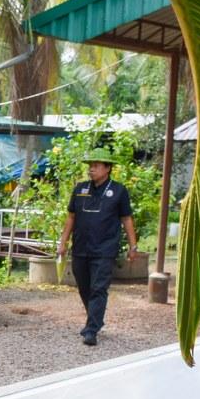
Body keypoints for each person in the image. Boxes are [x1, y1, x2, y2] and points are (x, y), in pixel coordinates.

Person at [56, 147, 138, 346]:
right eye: (90, 166)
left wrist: (133, 245)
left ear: (107, 168)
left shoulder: (118, 191)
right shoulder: (80, 189)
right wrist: (63, 242)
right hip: (81, 247)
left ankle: (91, 329)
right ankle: (95, 319)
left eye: (96, 165)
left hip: (104, 249)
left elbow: (126, 218)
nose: (91, 169)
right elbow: (71, 217)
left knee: (98, 288)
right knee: (84, 287)